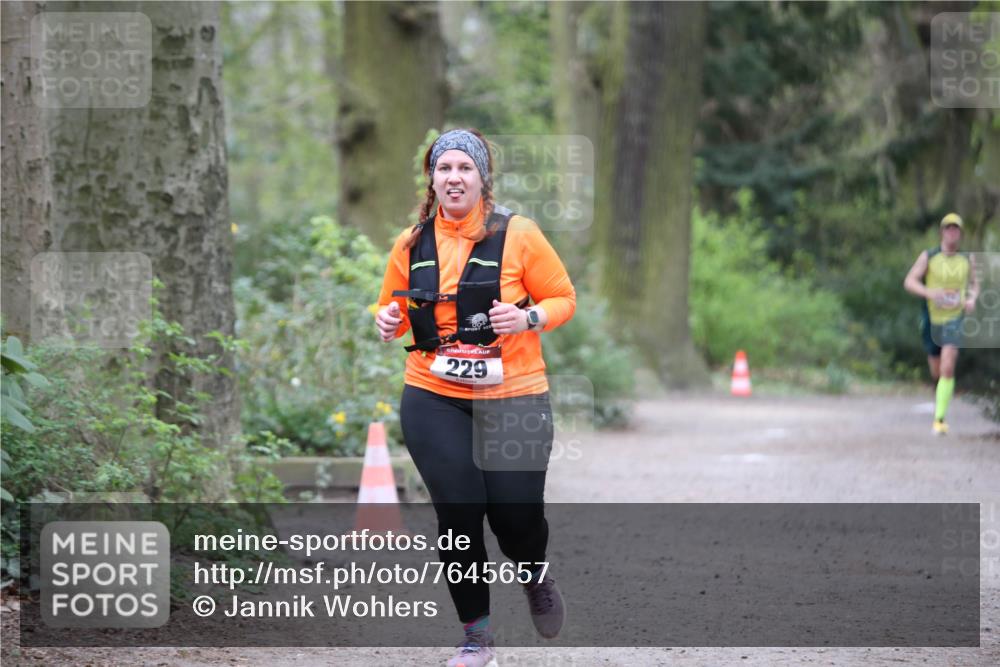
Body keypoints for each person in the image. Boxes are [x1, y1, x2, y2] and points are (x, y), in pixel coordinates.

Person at [374, 128, 576, 667]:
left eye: (465, 168)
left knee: (515, 518)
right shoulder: (410, 242)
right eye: (444, 169)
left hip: (514, 394)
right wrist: (386, 320)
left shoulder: (520, 235)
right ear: (432, 179)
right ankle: (476, 638)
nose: (454, 177)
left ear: (483, 177)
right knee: (459, 514)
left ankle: (532, 572)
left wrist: (528, 315)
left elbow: (563, 298)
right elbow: (389, 313)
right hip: (433, 394)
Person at [903, 212, 979, 435]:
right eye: (948, 228)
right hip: (931, 319)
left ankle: (939, 419)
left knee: (948, 366)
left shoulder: (968, 260)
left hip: (954, 319)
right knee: (937, 370)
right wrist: (929, 293)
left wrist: (972, 298)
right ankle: (941, 394)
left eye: (956, 229)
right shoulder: (929, 256)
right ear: (942, 232)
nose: (952, 232)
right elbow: (909, 281)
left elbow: (975, 285)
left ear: (961, 234)